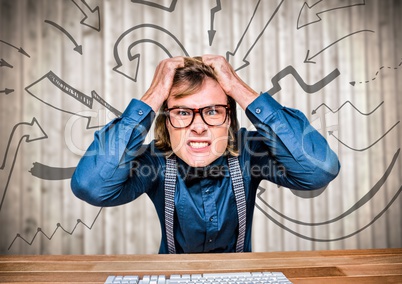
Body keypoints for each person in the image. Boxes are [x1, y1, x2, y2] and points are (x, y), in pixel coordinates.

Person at [71, 55, 340, 254]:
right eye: (182, 112)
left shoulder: (250, 152)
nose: (198, 126)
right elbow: (91, 187)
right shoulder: (155, 161)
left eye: (212, 111)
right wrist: (153, 96)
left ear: (229, 120)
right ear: (166, 122)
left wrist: (236, 86)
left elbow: (319, 170)